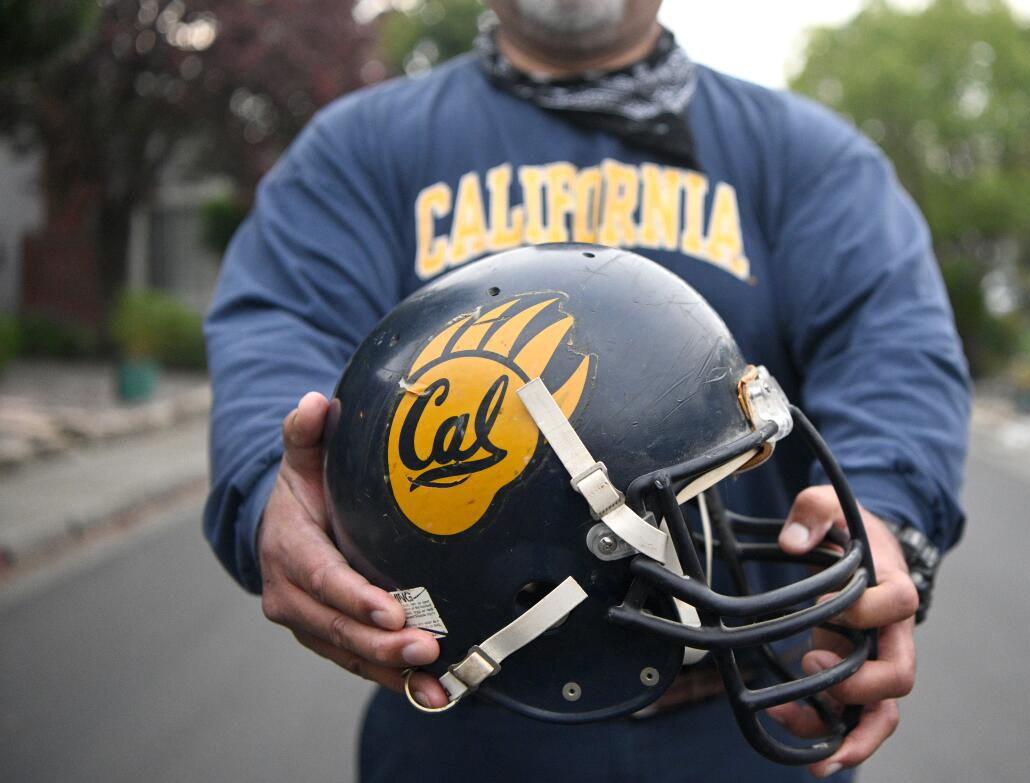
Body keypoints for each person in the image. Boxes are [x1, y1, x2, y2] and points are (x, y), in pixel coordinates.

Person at [203, 1, 971, 780]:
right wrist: (273, 484)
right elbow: (279, 328)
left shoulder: (808, 156)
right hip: (470, 717)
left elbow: (893, 351)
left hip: (750, 707)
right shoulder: (360, 150)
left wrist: (880, 510)